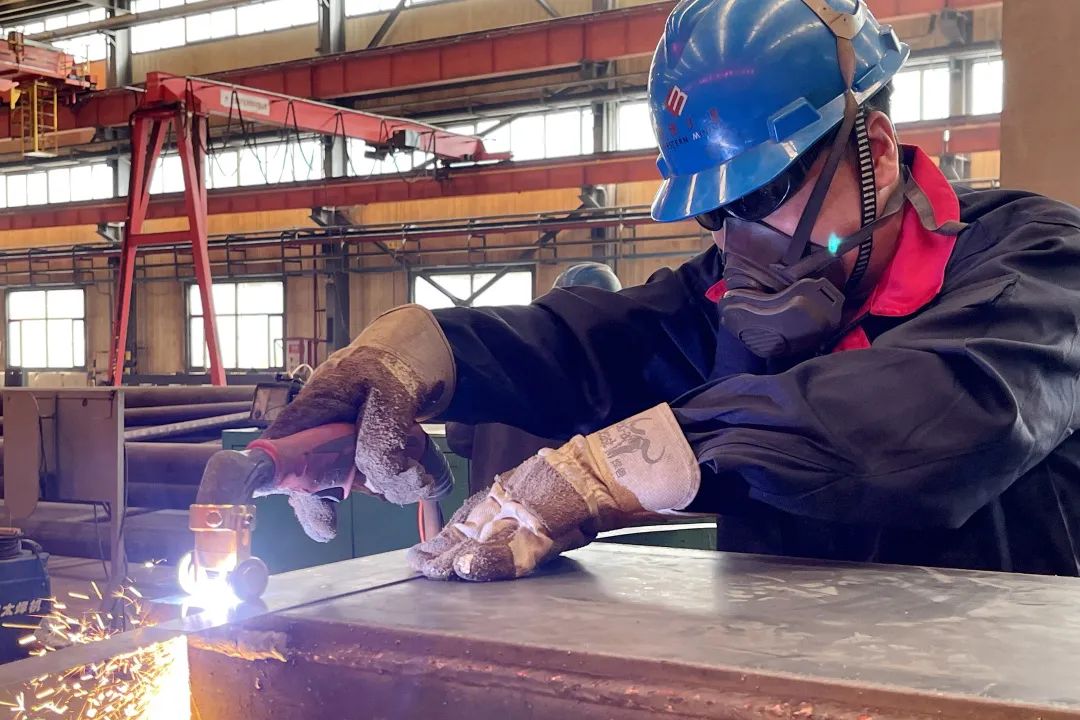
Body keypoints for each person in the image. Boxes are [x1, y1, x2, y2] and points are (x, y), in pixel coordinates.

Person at [260, 0, 1080, 581]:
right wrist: (414, 356)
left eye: (764, 193)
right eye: (717, 212)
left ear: (878, 149)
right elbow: (592, 342)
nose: (739, 241)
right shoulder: (731, 301)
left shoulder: (1038, 262)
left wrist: (616, 466)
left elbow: (934, 414)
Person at [445, 262, 623, 494]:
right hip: (569, 508)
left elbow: (459, 439)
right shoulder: (615, 369)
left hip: (494, 505)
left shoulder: (499, 354)